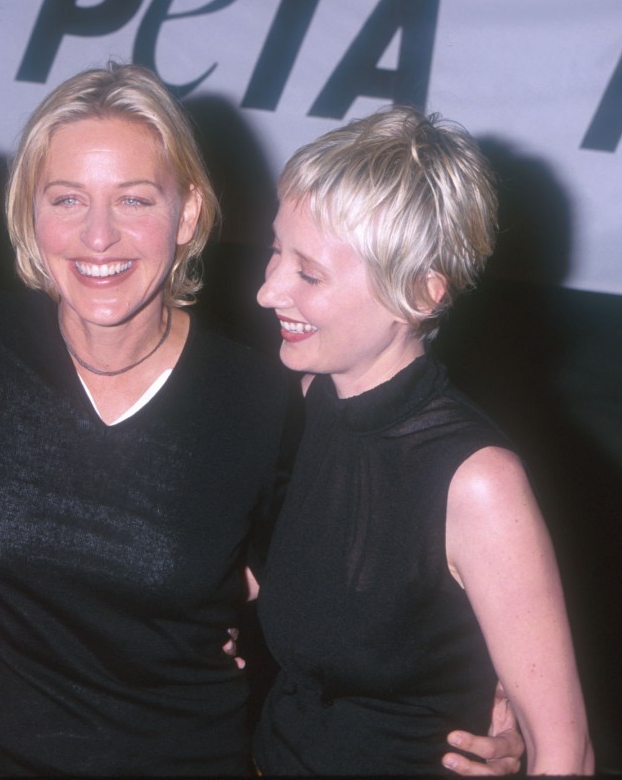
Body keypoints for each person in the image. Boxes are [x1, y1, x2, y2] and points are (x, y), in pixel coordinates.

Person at [0, 63, 522, 775]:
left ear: (187, 213)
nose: (97, 236)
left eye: (135, 200)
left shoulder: (264, 396)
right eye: (66, 199)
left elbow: (360, 594)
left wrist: (483, 699)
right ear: (29, 211)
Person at [252, 106, 593, 775]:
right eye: (275, 250)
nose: (268, 290)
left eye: (308, 273)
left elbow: (567, 756)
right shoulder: (305, 401)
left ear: (419, 293)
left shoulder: (477, 483)